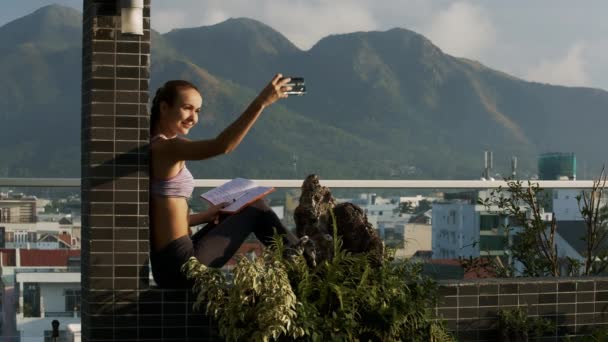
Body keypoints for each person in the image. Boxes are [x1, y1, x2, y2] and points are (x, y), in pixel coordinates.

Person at [149, 74, 298, 288]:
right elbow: (222, 145)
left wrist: (206, 216)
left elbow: (164, 217)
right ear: (164, 108)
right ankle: (305, 265)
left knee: (249, 205)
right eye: (187, 108)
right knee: (255, 207)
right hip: (179, 264)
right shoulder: (166, 148)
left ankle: (301, 261)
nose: (194, 117)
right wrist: (261, 103)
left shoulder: (161, 147)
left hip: (171, 261)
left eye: (197, 111)